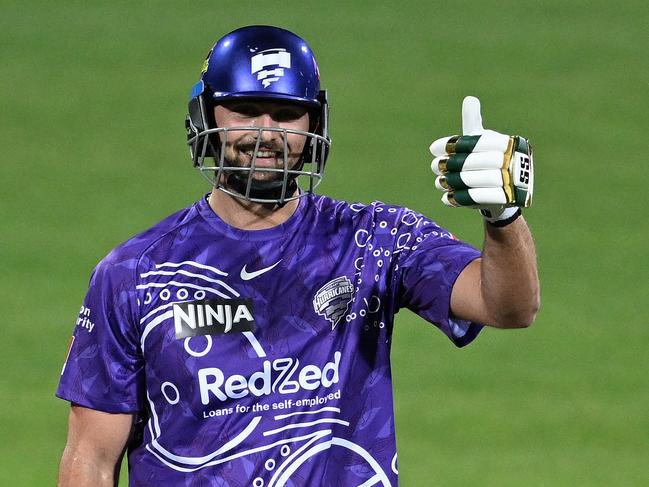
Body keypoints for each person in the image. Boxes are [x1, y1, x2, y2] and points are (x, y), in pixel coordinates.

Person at [56, 25, 539, 487]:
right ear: (207, 119)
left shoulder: (374, 241)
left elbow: (510, 307)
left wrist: (502, 217)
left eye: (286, 114)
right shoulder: (135, 274)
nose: (267, 132)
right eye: (245, 110)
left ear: (315, 124)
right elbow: (92, 458)